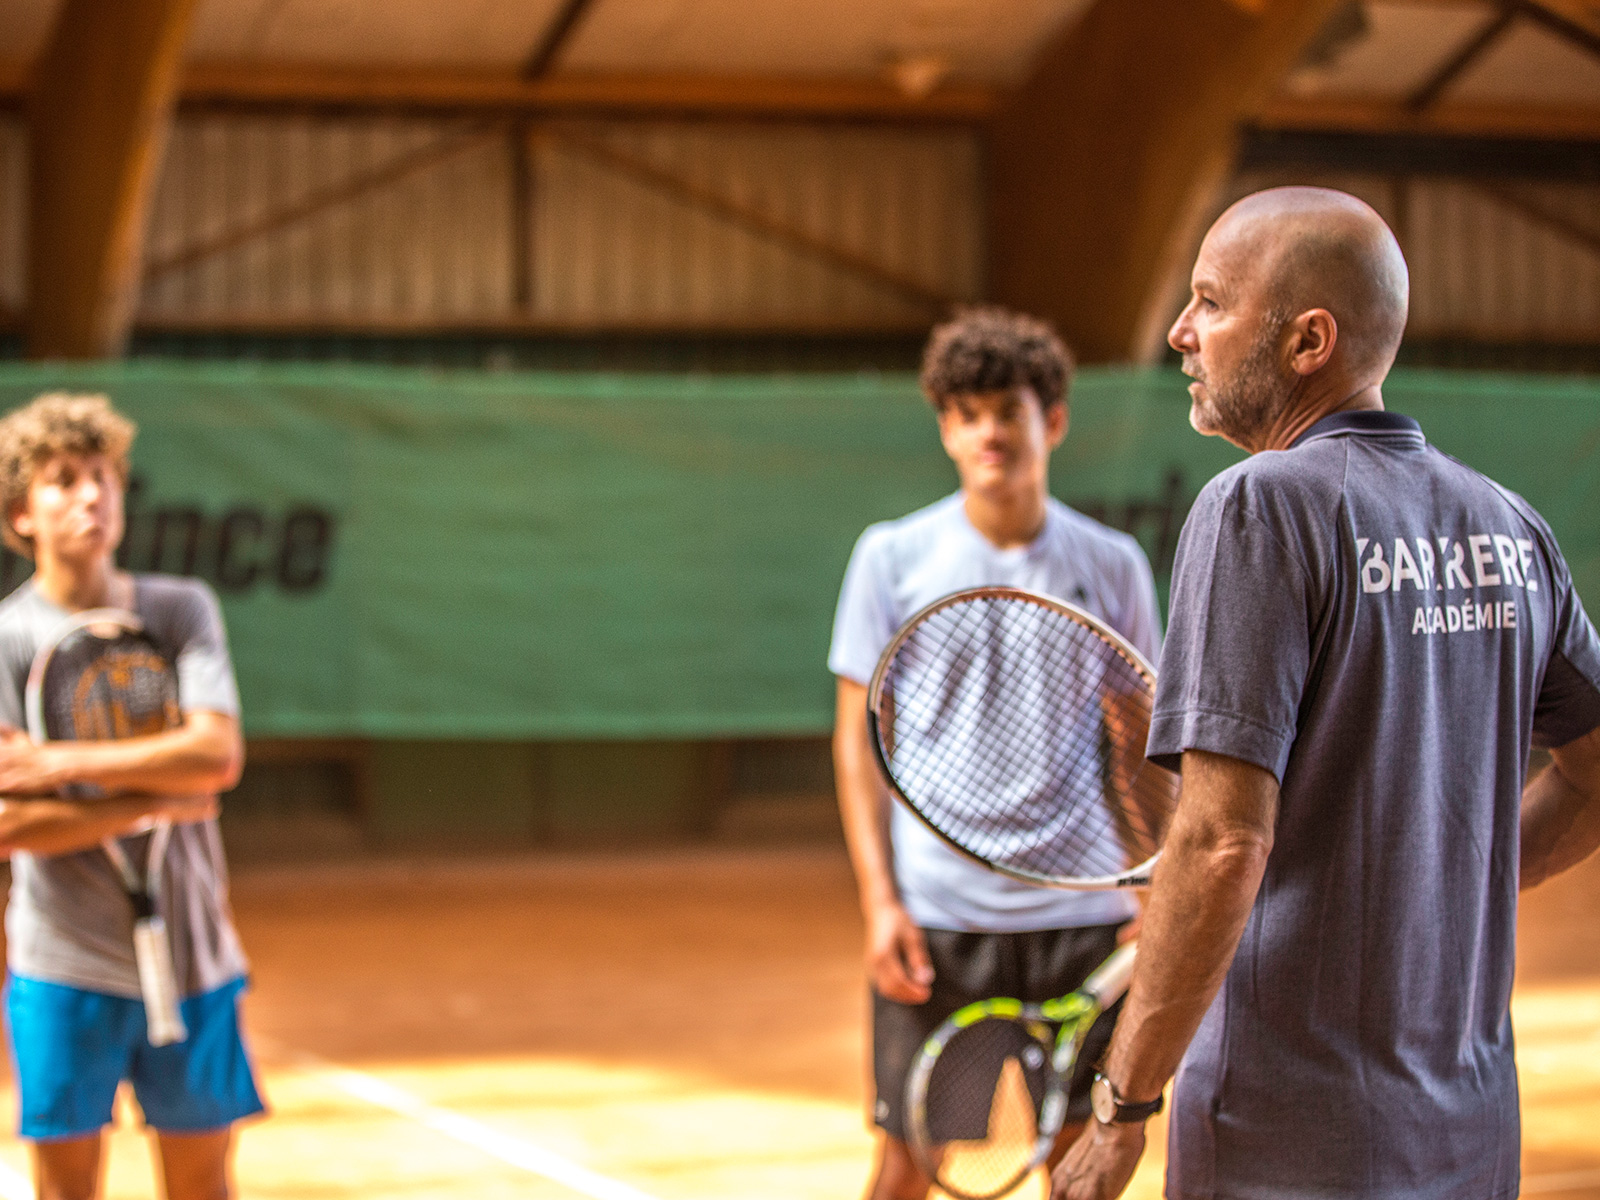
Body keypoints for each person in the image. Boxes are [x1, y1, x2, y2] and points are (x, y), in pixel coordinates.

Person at [1051, 187, 1600, 1200]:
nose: (1180, 332)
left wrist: (1121, 1105)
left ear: (1307, 340)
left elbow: (1220, 844)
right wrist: (1447, 884)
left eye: (1210, 303)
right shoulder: (1509, 527)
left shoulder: (1256, 506)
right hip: (1472, 1136)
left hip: (1285, 1140)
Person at [829, 307, 1162, 1200]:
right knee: (908, 1167)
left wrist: (1149, 885)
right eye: (967, 413)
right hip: (943, 923)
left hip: (1083, 924)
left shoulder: (1114, 564)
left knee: (1083, 1165)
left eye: (1006, 411)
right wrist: (879, 902)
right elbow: (858, 745)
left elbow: (1140, 750)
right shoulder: (890, 559)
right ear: (944, 428)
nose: (988, 432)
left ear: (1050, 421)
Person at [0, 393, 263, 1200]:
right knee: (67, 1185)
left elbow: (215, 755)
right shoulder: (6, 639)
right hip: (62, 963)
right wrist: (155, 799)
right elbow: (8, 819)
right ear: (22, 515)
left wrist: (58, 766)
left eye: (105, 478)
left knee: (202, 1182)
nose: (91, 497)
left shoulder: (180, 609)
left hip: (194, 955)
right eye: (65, 480)